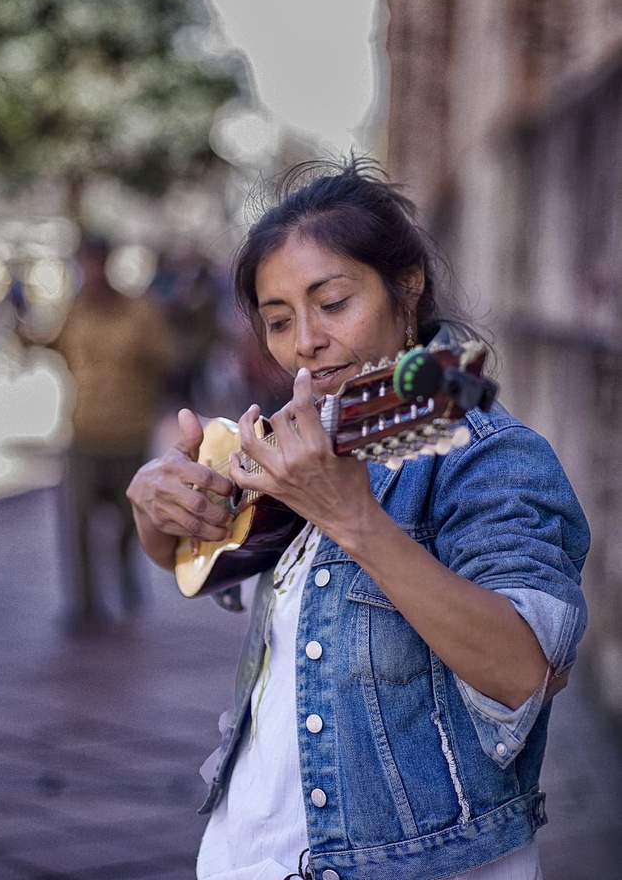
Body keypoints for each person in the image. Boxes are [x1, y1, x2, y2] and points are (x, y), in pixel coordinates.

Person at [126, 156, 589, 880]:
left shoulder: (490, 453)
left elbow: (525, 672)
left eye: (333, 303)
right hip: (244, 853)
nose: (304, 341)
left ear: (407, 287)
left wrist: (353, 519)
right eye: (278, 321)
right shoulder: (306, 441)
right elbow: (214, 565)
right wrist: (159, 507)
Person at [51, 233, 171, 632]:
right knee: (79, 521)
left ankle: (126, 576)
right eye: (84, 263)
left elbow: (162, 360)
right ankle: (86, 604)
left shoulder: (141, 311)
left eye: (96, 261)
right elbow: (64, 353)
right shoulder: (75, 311)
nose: (91, 271)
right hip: (84, 430)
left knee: (128, 518)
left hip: (130, 432)